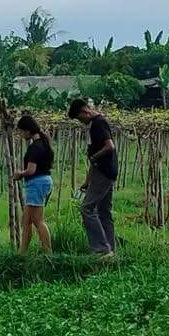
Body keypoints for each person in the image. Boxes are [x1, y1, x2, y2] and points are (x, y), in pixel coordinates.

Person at [68, 98, 117, 256]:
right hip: (106, 171)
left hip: (103, 172)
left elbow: (109, 147)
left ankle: (101, 248)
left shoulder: (98, 124)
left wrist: (96, 157)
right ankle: (109, 248)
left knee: (86, 208)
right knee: (104, 211)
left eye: (79, 118)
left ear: (85, 111)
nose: (80, 122)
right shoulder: (97, 123)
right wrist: (88, 181)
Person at [12, 113, 53, 254]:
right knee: (26, 220)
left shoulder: (35, 147)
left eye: (22, 131)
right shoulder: (44, 143)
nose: (21, 134)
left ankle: (47, 252)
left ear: (28, 130)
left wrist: (19, 174)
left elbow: (31, 170)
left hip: (37, 183)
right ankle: (22, 253)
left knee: (37, 220)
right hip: (42, 182)